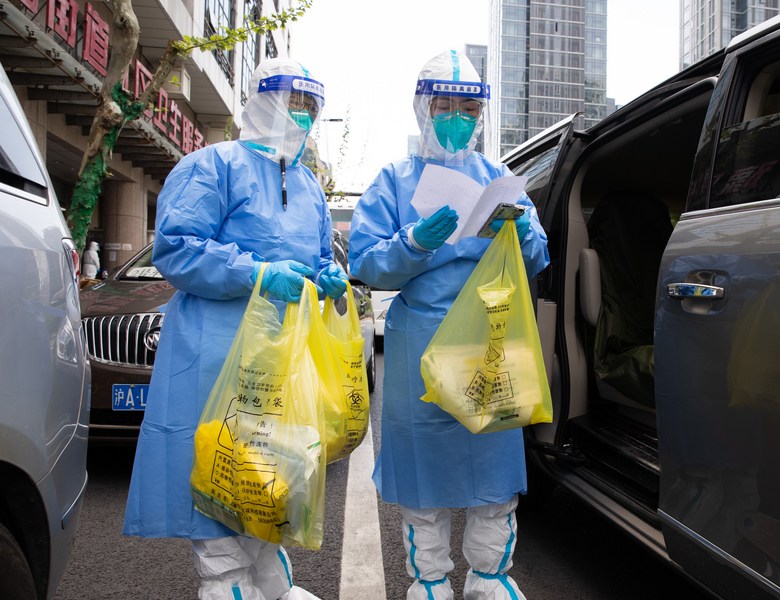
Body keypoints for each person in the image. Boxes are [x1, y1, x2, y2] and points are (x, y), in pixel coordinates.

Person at [122, 57, 348, 600]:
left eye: (310, 107)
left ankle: (269, 582)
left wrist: (328, 276)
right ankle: (224, 583)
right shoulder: (212, 165)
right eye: (292, 102)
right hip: (215, 349)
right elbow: (177, 248)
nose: (301, 116)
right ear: (261, 102)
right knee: (216, 469)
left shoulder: (309, 185)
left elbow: (318, 254)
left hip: (280, 355)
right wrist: (256, 273)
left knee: (270, 470)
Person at [348, 49, 549, 600]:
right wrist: (414, 242)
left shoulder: (498, 177)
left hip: (491, 337)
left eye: (469, 108)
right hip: (423, 340)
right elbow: (366, 262)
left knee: (494, 466)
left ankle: (489, 576)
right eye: (445, 106)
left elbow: (538, 256)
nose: (457, 118)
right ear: (423, 109)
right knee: (424, 469)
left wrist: (520, 232)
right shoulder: (393, 181)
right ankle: (430, 581)